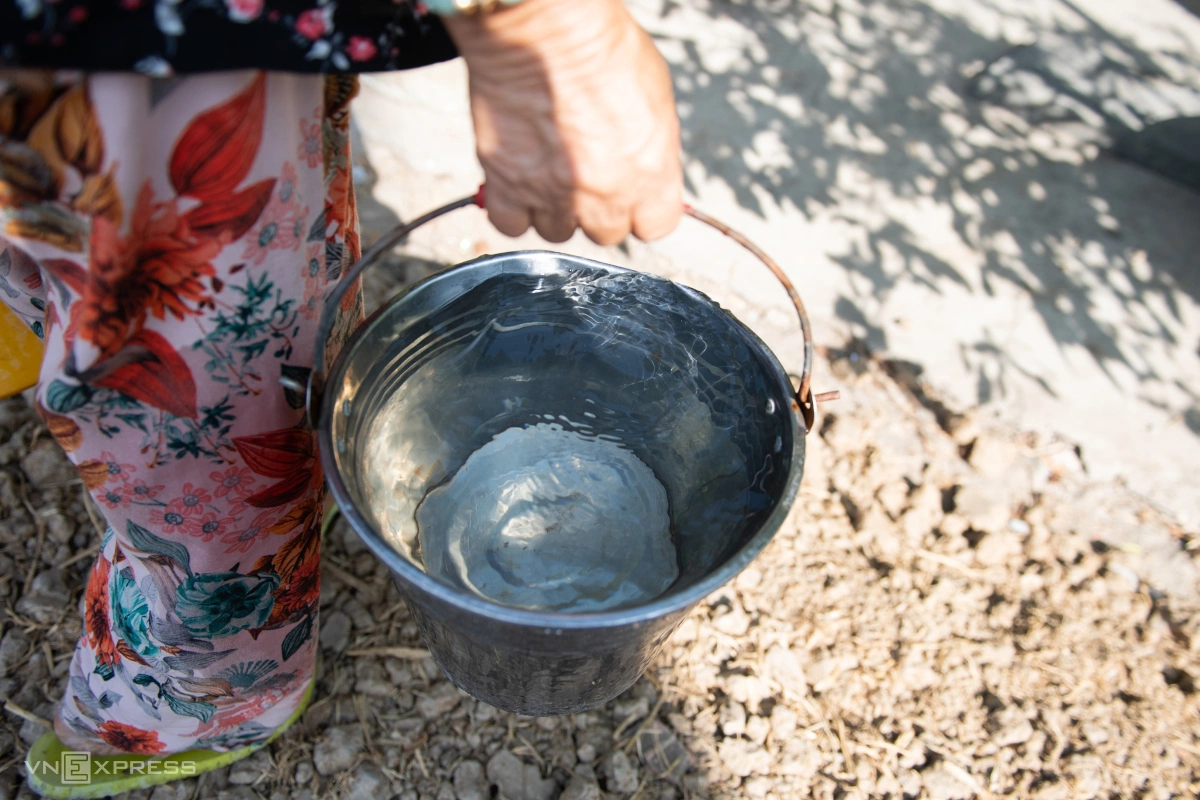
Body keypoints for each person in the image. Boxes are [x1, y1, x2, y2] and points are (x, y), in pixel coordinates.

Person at [0, 0, 682, 792]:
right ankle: (251, 589)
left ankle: (225, 677)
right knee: (164, 345)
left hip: (128, 51)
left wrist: (544, 24)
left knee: (195, 363)